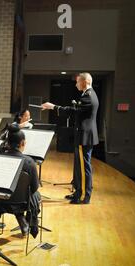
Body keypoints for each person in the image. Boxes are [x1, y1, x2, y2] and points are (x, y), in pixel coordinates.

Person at [42, 72, 99, 204]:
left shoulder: (89, 97)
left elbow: (73, 111)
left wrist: (53, 107)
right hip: (83, 135)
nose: (76, 84)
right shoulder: (87, 95)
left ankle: (84, 196)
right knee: (79, 166)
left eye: (78, 81)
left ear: (85, 82)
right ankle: (78, 192)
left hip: (84, 136)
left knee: (84, 167)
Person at [0, 124, 41, 237]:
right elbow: (35, 187)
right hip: (22, 204)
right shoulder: (29, 162)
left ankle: (21, 221)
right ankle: (24, 221)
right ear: (22, 143)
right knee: (35, 194)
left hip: (0, 202)